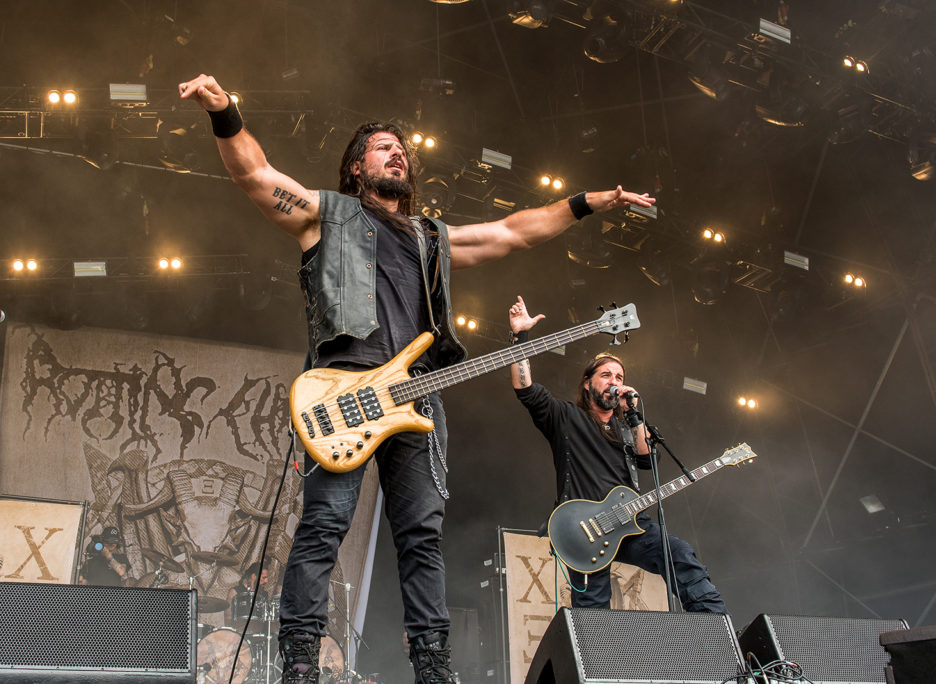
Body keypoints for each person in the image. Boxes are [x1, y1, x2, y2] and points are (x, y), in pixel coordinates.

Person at [178, 73, 655, 684]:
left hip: (417, 398)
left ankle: (432, 667)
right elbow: (257, 176)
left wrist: (590, 201)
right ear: (355, 168)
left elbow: (513, 232)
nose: (397, 152)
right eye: (381, 146)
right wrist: (225, 110)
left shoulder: (432, 238)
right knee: (325, 525)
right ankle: (300, 661)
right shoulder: (328, 216)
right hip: (345, 387)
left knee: (421, 538)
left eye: (401, 147)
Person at [508, 296, 727, 614]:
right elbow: (524, 387)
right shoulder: (566, 416)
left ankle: (716, 626)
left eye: (620, 378)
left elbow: (647, 460)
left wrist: (634, 414)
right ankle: (595, 663)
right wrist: (520, 336)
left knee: (679, 553)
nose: (615, 383)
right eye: (606, 376)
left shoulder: (628, 428)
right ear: (587, 384)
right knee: (593, 607)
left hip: (630, 524)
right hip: (584, 528)